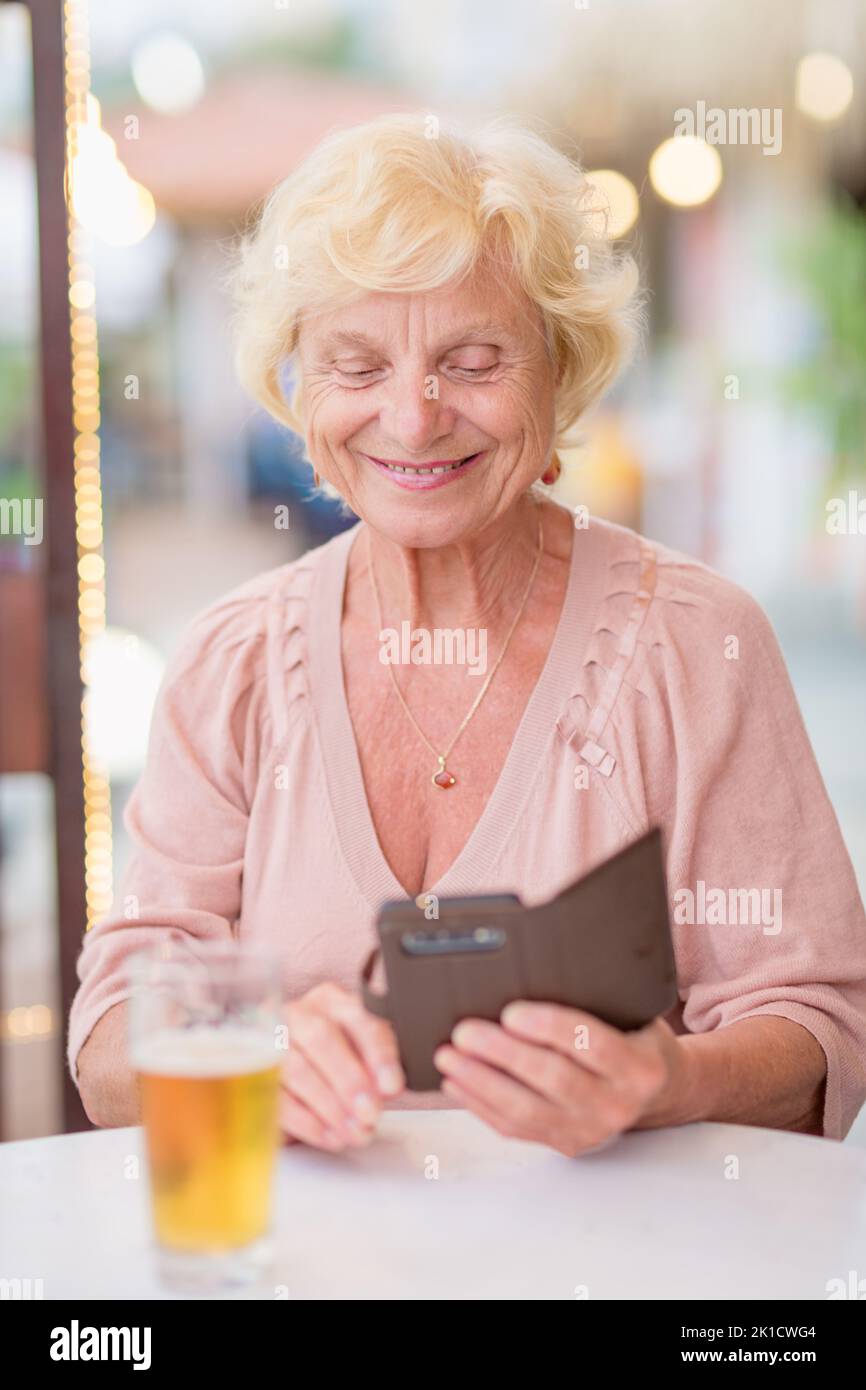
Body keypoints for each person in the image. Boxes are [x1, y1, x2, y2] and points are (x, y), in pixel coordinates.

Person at [70, 112, 866, 1155]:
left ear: (559, 369)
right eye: (357, 367)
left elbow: (817, 1029)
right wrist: (248, 1048)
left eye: (475, 360)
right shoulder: (232, 663)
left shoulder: (696, 644)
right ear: (299, 388)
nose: (414, 418)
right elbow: (109, 1045)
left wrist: (667, 1081)